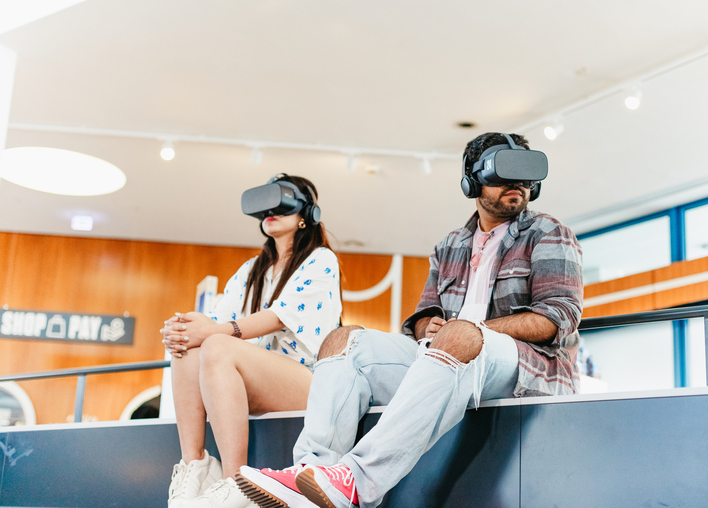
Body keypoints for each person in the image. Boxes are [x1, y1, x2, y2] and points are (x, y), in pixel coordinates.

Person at [235, 132, 583, 508]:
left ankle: (355, 481)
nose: (517, 184)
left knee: (461, 335)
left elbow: (556, 318)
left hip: (528, 368)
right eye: (503, 174)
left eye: (525, 175)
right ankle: (312, 475)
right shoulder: (450, 244)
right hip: (449, 359)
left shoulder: (549, 232)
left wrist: (467, 331)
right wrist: (428, 326)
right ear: (472, 180)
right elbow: (421, 317)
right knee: (343, 340)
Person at [161, 174, 342, 508]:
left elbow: (278, 316)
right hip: (249, 378)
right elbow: (213, 324)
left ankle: (237, 481)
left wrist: (214, 331)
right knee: (187, 343)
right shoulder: (250, 271)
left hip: (308, 381)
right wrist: (183, 328)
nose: (270, 211)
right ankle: (195, 465)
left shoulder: (320, 260)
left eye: (282, 202)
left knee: (215, 342)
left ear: (307, 214)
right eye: (265, 205)